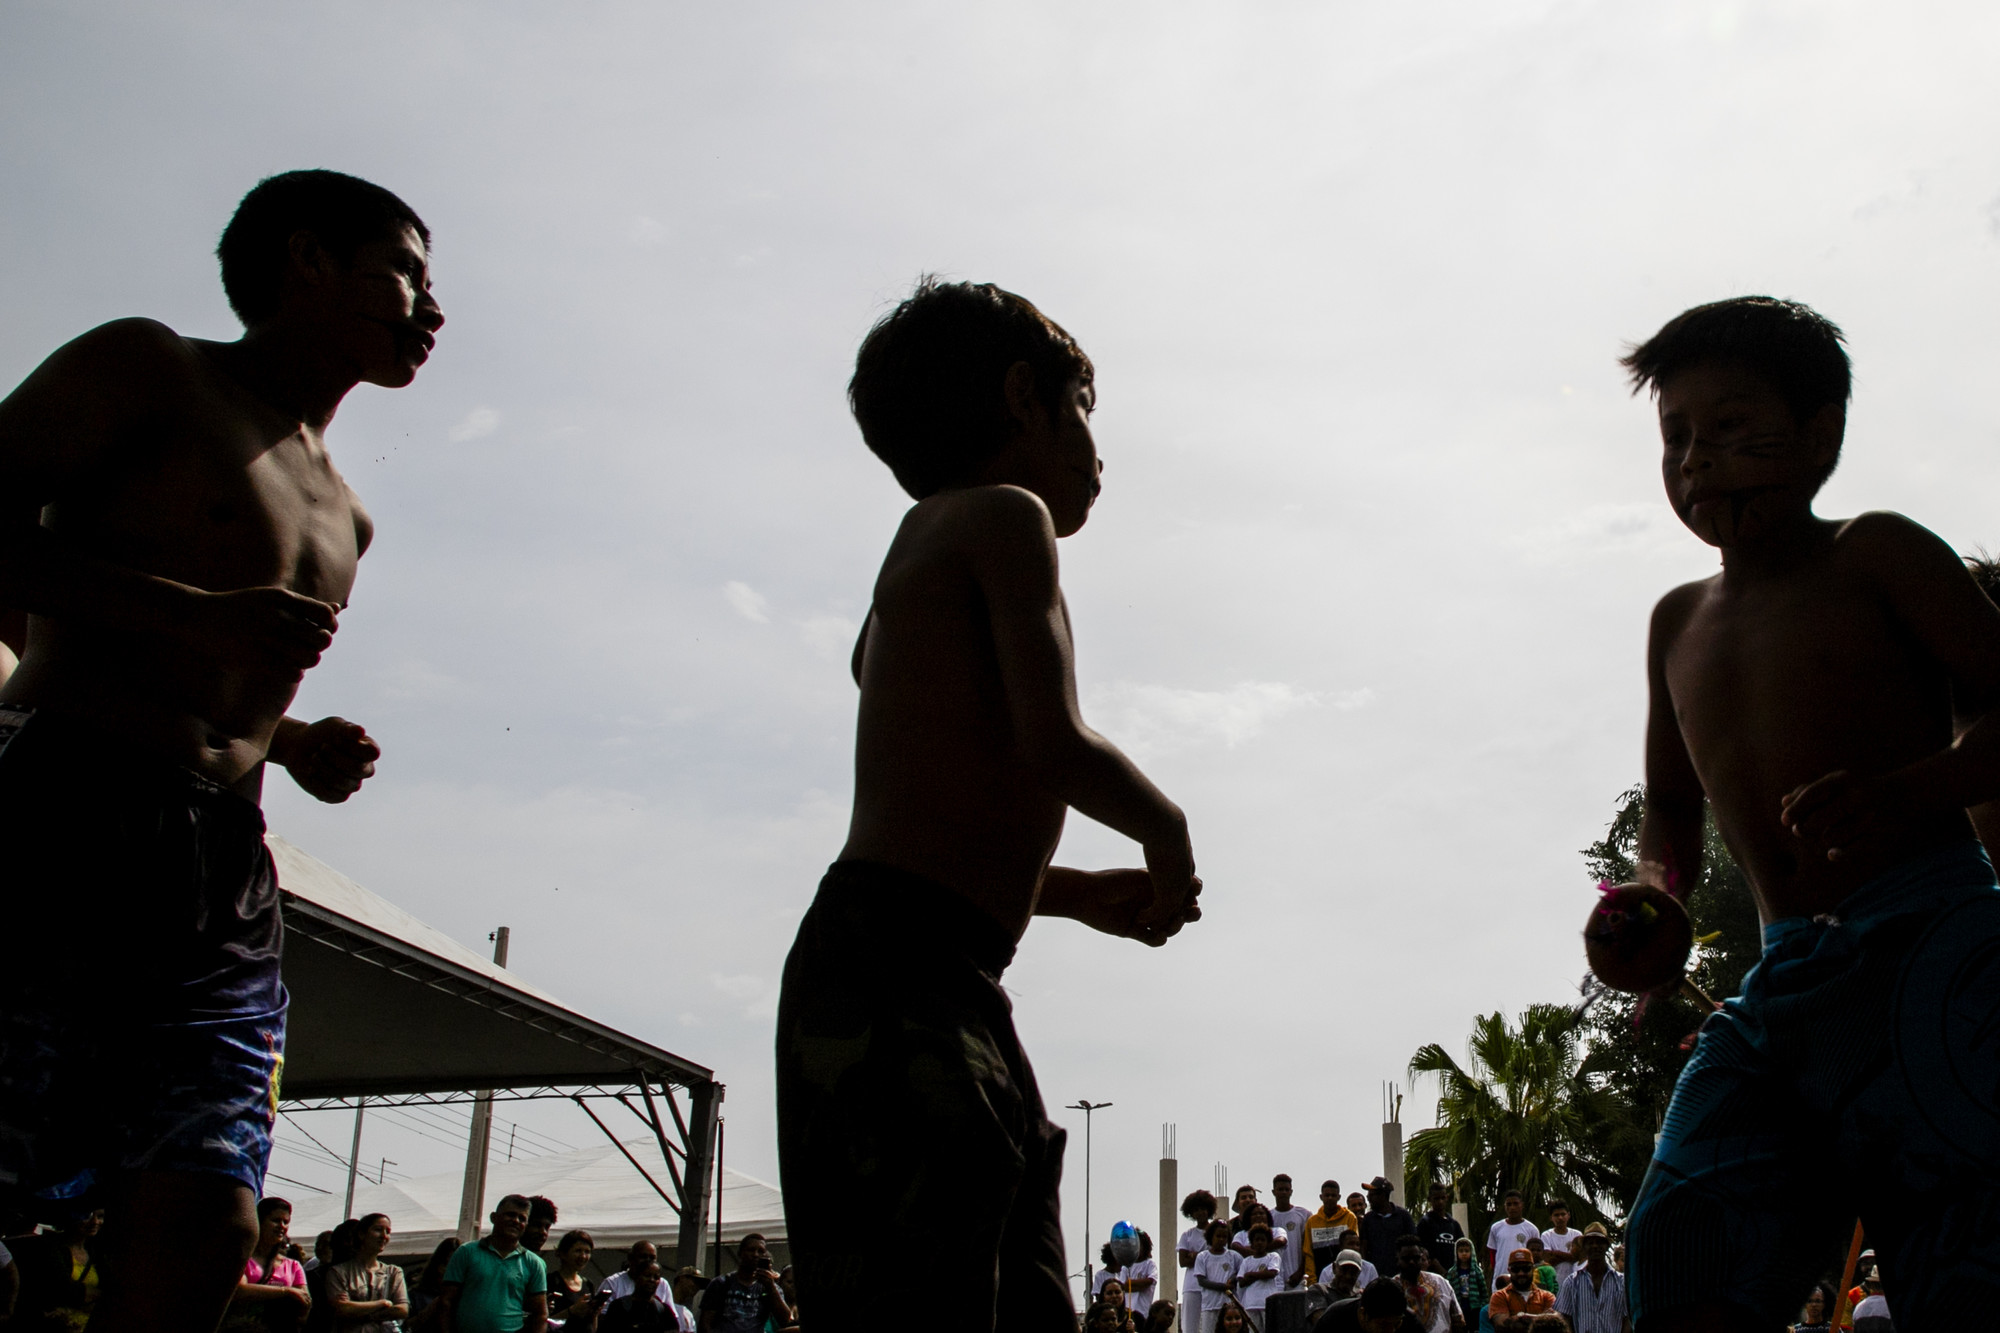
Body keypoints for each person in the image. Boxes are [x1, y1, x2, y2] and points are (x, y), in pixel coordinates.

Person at [0, 169, 438, 1333]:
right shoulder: (151, 369)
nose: (428, 308)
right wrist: (186, 613)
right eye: (403, 270)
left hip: (222, 864)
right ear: (307, 261)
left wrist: (288, 740)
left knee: (208, 1215)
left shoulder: (349, 511)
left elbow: (215, 677)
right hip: (63, 806)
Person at [773, 278, 1201, 1333]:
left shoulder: (909, 570)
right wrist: (1163, 832)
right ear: (1023, 396)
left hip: (914, 960)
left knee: (1010, 1287)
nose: (1095, 447)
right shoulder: (1002, 520)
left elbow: (934, 811)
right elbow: (1045, 741)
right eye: (1082, 410)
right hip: (901, 980)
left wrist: (1065, 892)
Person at [1615, 296, 2000, 1332]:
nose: (1698, 460)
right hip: (1784, 980)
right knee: (1683, 1243)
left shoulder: (1875, 555)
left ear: (1821, 430)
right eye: (1676, 437)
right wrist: (1650, 904)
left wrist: (1906, 791)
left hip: (1936, 941)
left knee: (1969, 1258)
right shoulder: (1674, 622)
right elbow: (1667, 813)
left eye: (1733, 426)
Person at [440, 1195, 549, 1333]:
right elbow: (446, 1302)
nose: (516, 1221)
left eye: (522, 1218)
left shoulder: (534, 1263)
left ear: (526, 1225)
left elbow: (540, 1314)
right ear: (493, 1217)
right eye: (510, 1215)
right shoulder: (466, 1252)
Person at [224, 1196, 311, 1331]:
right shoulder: (242, 1259)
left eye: (285, 1222)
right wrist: (286, 1291)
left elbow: (304, 1303)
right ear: (260, 1221)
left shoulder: (293, 1266)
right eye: (276, 1220)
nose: (282, 1226)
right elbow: (239, 1290)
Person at [326, 1213, 408, 1333]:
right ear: (362, 1234)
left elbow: (403, 1309)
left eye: (388, 1231)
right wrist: (383, 1303)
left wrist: (360, 1310)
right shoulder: (339, 1272)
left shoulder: (394, 1272)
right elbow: (343, 1308)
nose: (384, 1236)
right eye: (378, 1230)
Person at [699, 1235, 789, 1333]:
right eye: (751, 1250)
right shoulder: (721, 1283)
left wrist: (770, 1287)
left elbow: (784, 1320)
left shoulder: (769, 1287)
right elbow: (705, 1323)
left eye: (761, 1251)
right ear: (740, 1253)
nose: (755, 1255)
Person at [1550, 1226, 1625, 1333]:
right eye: (1590, 1243)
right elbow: (1564, 1318)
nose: (1595, 1246)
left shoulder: (1621, 1282)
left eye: (1599, 1242)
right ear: (1584, 1247)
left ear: (1607, 1246)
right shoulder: (1571, 1282)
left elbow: (1627, 1318)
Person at [1390, 1235, 1463, 1333]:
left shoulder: (1440, 1282)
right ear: (1397, 1260)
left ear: (1421, 1258)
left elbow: (1458, 1319)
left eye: (1416, 1258)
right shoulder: (1390, 1288)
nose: (1411, 1262)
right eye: (1406, 1259)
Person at [1302, 1181, 1362, 1283]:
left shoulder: (1349, 1217)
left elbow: (1353, 1248)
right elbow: (1309, 1254)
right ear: (1321, 1197)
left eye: (1333, 1195)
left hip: (1344, 1276)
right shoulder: (1312, 1221)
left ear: (1339, 1197)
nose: (1330, 1198)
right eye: (1327, 1195)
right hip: (1321, 1277)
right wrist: (1312, 1281)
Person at [1318, 1278, 1426, 1333]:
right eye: (1383, 1325)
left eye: (1396, 1324)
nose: (1391, 1331)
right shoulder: (1335, 1319)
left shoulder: (1410, 1322)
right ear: (1362, 1314)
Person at [544, 1230, 603, 1329]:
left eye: (587, 1252)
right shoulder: (550, 1281)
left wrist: (594, 1313)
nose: (583, 1256)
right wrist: (572, 1311)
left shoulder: (588, 1284)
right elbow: (543, 1321)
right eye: (578, 1251)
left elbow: (592, 1323)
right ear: (563, 1253)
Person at [601, 1262, 683, 1333]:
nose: (652, 1280)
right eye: (647, 1275)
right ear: (636, 1277)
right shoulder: (619, 1307)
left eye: (656, 1277)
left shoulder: (664, 1311)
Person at [1357, 1181, 1414, 1281]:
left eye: (1372, 1195)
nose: (1369, 1198)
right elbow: (1364, 1246)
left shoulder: (1403, 1216)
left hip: (1400, 1274)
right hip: (1375, 1275)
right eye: (1368, 1195)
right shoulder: (1368, 1219)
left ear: (1383, 1195)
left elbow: (1413, 1243)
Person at [1192, 1220, 1241, 1333]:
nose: (1221, 1239)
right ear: (1210, 1236)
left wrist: (1233, 1278)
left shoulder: (1234, 1256)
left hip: (1229, 1306)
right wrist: (1223, 1287)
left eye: (1224, 1237)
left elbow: (1241, 1273)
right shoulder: (1202, 1257)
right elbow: (1202, 1281)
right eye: (1218, 1236)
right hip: (1210, 1305)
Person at [1482, 1195, 1539, 1291]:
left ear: (1522, 1205)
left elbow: (1536, 1256)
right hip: (1501, 1278)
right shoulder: (1496, 1228)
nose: (1512, 1207)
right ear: (1505, 1206)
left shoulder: (1532, 1229)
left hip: (1523, 1278)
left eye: (1515, 1204)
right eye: (1509, 1204)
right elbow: (1492, 1253)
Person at [1486, 1254, 1554, 1331]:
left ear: (1532, 1269)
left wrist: (1521, 1317)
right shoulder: (1499, 1296)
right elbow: (1502, 1325)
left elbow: (1554, 1324)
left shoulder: (1547, 1296)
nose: (1521, 1273)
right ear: (1509, 1270)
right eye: (1516, 1269)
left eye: (1526, 1269)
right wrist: (1543, 1317)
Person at [1181, 1190, 1219, 1323]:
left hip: (1213, 1282)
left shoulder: (1217, 1232)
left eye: (1203, 1209)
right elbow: (1183, 1261)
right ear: (1191, 1213)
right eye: (1196, 1210)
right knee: (1190, 1325)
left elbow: (1218, 1256)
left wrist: (1195, 1255)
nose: (1200, 1213)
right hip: (1191, 1285)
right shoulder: (1187, 1235)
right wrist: (1205, 1256)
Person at [408, 1238, 462, 1332]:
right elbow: (406, 1327)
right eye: (450, 1266)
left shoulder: (467, 1298)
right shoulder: (417, 1296)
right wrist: (432, 1308)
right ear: (439, 1266)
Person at [1235, 1224, 1282, 1328]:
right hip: (1251, 1303)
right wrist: (1261, 1274)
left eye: (1262, 1240)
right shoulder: (1246, 1261)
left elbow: (1271, 1273)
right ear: (1252, 1242)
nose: (1259, 1242)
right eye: (1256, 1240)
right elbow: (1242, 1282)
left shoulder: (1273, 1256)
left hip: (1268, 1302)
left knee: (1269, 1329)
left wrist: (1251, 1274)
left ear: (1268, 1242)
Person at [1269, 1177, 1312, 1288]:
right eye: (1280, 1189)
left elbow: (1307, 1246)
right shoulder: (1269, 1216)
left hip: (1297, 1276)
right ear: (1274, 1192)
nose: (1283, 1192)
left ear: (1291, 1192)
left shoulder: (1303, 1214)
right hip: (1275, 1277)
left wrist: (1300, 1272)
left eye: (1286, 1189)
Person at [1415, 1186, 1463, 1275]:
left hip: (1454, 1276)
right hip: (1433, 1276)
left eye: (1442, 1198)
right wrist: (1443, 1274)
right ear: (1430, 1199)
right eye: (1436, 1199)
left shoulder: (1453, 1224)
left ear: (1447, 1198)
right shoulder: (1425, 1223)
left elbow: (1462, 1247)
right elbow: (1426, 1253)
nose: (1440, 1201)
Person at [1444, 1239, 1487, 1333]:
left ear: (1471, 1252)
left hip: (1475, 1308)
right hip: (1459, 1307)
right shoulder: (1452, 1272)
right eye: (1461, 1251)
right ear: (1456, 1253)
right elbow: (1448, 1291)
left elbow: (1483, 1290)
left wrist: (1483, 1305)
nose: (1464, 1254)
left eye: (1467, 1251)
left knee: (1474, 1329)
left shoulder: (1477, 1271)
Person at [1122, 1230, 1159, 1321]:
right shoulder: (1126, 1265)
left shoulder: (1150, 1264)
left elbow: (1150, 1281)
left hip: (1143, 1311)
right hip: (1128, 1310)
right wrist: (1140, 1285)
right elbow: (1123, 1286)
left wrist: (1132, 1284)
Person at [1537, 1205, 1577, 1280]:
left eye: (1563, 1214)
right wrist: (1569, 1256)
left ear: (1568, 1215)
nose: (1560, 1218)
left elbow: (1578, 1258)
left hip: (1573, 1282)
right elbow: (1547, 1259)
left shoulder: (1576, 1234)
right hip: (1553, 1282)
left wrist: (1555, 1253)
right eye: (1556, 1215)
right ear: (1551, 1218)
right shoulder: (1546, 1235)